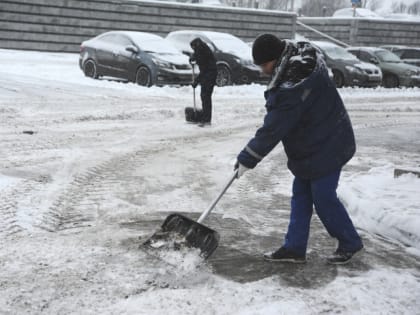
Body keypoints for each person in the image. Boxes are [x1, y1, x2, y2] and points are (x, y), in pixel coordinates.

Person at [234, 34, 363, 265]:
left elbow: (273, 128)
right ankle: (294, 248)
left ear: (277, 57)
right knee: (301, 196)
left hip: (328, 145)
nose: (264, 71)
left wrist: (248, 158)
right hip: (311, 145)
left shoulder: (294, 85)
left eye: (265, 65)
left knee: (323, 197)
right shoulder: (299, 62)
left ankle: (349, 241)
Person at [189, 37, 217, 127]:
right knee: (205, 97)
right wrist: (192, 57)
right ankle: (206, 118)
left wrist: (196, 82)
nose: (193, 50)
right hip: (209, 74)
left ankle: (206, 119)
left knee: (205, 97)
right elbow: (196, 56)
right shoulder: (203, 49)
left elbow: (204, 70)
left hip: (209, 75)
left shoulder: (202, 52)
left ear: (196, 46)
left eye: (193, 48)